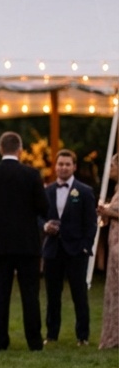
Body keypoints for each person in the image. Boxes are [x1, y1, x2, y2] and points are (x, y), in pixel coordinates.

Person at [0, 131, 49, 351]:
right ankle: (34, 341)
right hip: (27, 243)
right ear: (20, 150)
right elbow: (44, 207)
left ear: (0, 149)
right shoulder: (32, 175)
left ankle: (0, 342)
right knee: (30, 294)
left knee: (1, 294)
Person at [41, 149, 97, 346]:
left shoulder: (84, 191)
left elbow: (91, 223)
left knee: (79, 295)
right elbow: (39, 216)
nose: (63, 167)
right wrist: (45, 226)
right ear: (55, 167)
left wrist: (85, 246)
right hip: (53, 250)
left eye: (67, 164)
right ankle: (51, 335)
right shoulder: (47, 191)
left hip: (76, 251)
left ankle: (83, 336)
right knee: (52, 295)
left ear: (74, 167)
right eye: (60, 164)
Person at [97, 153, 119, 350]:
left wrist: (108, 211)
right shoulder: (116, 190)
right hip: (114, 241)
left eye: (112, 165)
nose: (110, 169)